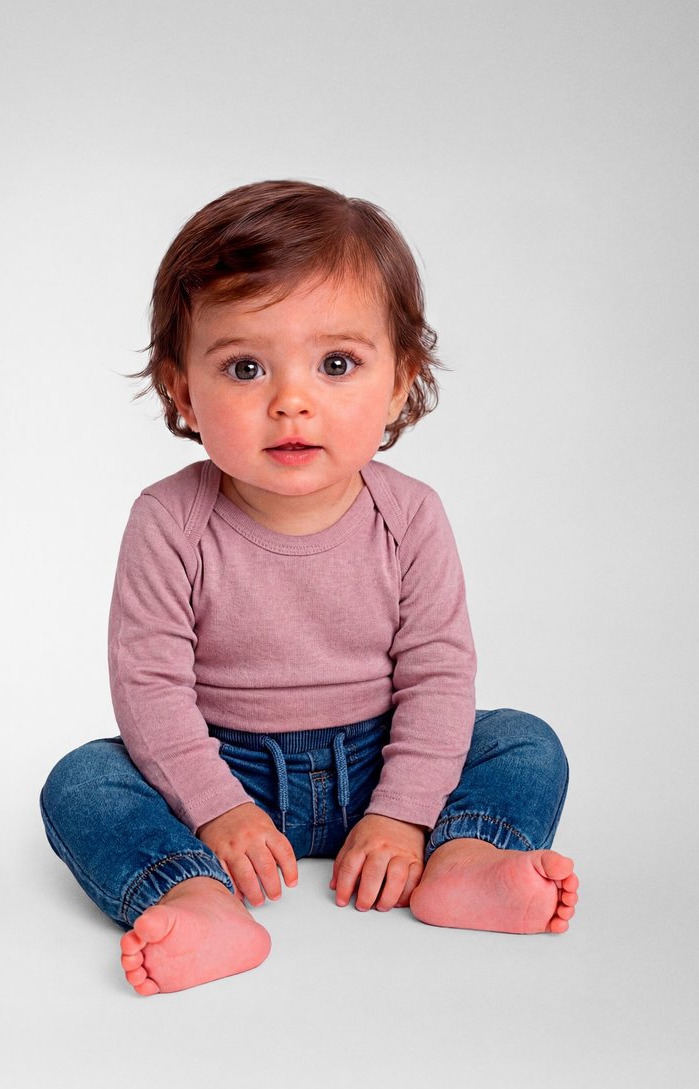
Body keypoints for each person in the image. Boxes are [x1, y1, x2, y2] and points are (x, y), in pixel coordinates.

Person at [40, 179, 579, 996]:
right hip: (223, 768)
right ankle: (193, 894)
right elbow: (149, 685)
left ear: (400, 380)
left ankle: (464, 858)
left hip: (382, 760)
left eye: (336, 364)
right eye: (245, 366)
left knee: (522, 739)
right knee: (81, 781)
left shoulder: (411, 516)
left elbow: (436, 674)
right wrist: (217, 807)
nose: (291, 401)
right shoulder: (168, 520)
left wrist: (402, 812)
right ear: (184, 389)